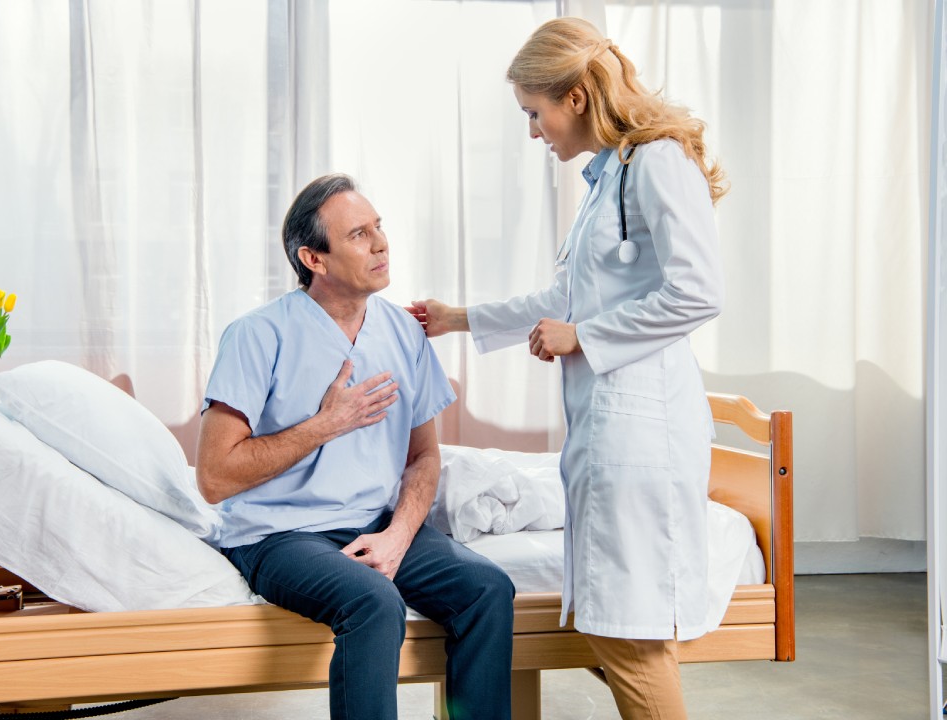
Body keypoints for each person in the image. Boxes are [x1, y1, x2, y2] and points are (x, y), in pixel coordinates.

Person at [407, 18, 725, 720]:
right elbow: (565, 298)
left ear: (575, 97)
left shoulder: (658, 162)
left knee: (631, 640)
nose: (533, 132)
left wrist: (584, 337)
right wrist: (458, 318)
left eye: (534, 112)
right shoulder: (611, 177)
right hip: (610, 432)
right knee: (618, 633)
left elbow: (698, 291)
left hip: (644, 436)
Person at [196, 173, 514, 720]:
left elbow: (423, 457)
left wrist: (397, 536)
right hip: (276, 534)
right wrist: (325, 424)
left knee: (487, 588)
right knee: (372, 602)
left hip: (374, 521)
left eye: (379, 227)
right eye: (359, 234)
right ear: (313, 260)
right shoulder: (256, 335)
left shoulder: (404, 332)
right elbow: (215, 477)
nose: (381, 243)